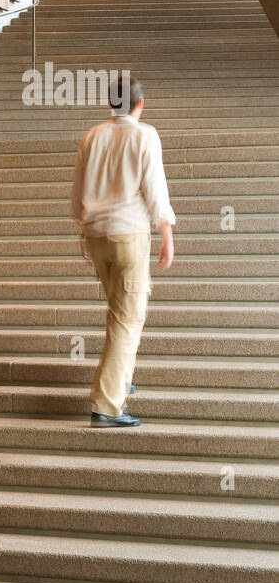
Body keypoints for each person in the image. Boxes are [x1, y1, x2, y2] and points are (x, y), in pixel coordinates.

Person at [69, 74, 176, 428]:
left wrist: (83, 230)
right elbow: (154, 188)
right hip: (129, 234)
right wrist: (166, 232)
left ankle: (120, 377)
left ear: (110, 104)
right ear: (140, 104)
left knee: (119, 311)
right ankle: (108, 405)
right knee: (128, 319)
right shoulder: (145, 135)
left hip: (98, 235)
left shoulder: (92, 136)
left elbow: (78, 190)